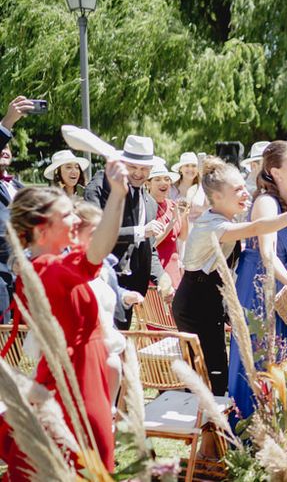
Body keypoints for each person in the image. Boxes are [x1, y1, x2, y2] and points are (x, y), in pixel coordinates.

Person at [0, 160, 129, 474]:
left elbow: (97, 248)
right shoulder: (46, 270)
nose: (76, 219)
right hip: (75, 379)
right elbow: (97, 250)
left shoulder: (57, 263)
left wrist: (119, 194)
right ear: (42, 228)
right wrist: (116, 195)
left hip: (86, 370)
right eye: (67, 214)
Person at [172, 156, 287, 395]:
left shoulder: (227, 217)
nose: (246, 193)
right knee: (210, 375)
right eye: (238, 189)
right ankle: (207, 427)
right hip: (195, 303)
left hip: (210, 298)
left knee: (216, 371)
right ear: (217, 197)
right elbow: (258, 227)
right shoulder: (214, 225)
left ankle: (213, 427)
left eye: (244, 187)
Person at [228, 140, 287, 420]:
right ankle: (247, 433)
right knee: (255, 360)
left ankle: (274, 427)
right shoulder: (266, 202)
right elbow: (267, 254)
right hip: (257, 290)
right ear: (275, 172)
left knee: (278, 359)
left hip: (280, 288)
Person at [84, 135, 170, 329]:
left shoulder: (149, 202)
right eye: (133, 167)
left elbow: (150, 247)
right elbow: (94, 234)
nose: (139, 173)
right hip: (102, 281)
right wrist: (140, 231)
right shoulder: (100, 186)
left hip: (132, 290)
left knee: (119, 347)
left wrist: (161, 277)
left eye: (144, 169)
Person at [73, 201, 144, 399]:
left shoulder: (103, 262)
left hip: (108, 347)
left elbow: (108, 288)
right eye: (94, 233)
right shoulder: (70, 267)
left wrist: (124, 296)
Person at [0, 96, 34, 323]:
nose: (4, 150)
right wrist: (7, 123)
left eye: (7, 147)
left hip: (23, 264)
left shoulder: (20, 187)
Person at [148, 164, 189, 289]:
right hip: (157, 273)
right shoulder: (146, 207)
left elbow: (182, 236)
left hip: (174, 271)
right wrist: (171, 223)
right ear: (148, 184)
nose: (163, 183)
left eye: (166, 179)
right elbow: (151, 244)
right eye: (158, 179)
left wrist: (184, 216)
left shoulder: (172, 205)